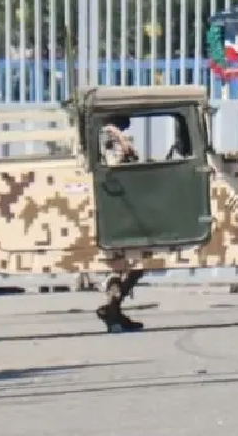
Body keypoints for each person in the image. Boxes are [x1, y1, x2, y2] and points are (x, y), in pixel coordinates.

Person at [96, 115, 144, 332]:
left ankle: (113, 309)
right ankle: (112, 309)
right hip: (117, 207)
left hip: (120, 205)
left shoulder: (112, 134)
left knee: (128, 264)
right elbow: (113, 167)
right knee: (128, 263)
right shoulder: (108, 135)